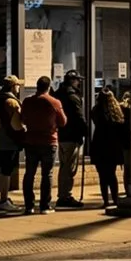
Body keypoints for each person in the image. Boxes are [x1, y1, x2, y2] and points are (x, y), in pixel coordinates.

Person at [18, 76, 65, 214]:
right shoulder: (54, 102)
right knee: (47, 174)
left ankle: (29, 206)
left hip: (31, 141)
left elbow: (23, 119)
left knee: (29, 174)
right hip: (49, 141)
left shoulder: (27, 101)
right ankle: (45, 205)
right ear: (49, 87)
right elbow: (63, 121)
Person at [86, 89, 129, 209]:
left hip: (99, 144)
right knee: (111, 174)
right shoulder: (117, 112)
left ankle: (105, 200)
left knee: (102, 175)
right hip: (113, 145)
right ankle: (115, 199)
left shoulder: (95, 111)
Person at [53, 72, 87, 209]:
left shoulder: (58, 94)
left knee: (64, 165)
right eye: (77, 80)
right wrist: (85, 131)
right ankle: (65, 196)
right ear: (72, 81)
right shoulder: (73, 97)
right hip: (71, 135)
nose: (79, 83)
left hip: (61, 135)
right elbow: (79, 116)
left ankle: (64, 194)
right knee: (69, 167)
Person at [0, 76, 23, 214]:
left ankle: (3, 198)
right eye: (17, 85)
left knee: (3, 170)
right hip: (10, 141)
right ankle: (4, 199)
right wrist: (23, 132)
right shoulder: (11, 102)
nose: (19, 88)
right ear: (12, 86)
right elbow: (17, 124)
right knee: (7, 171)